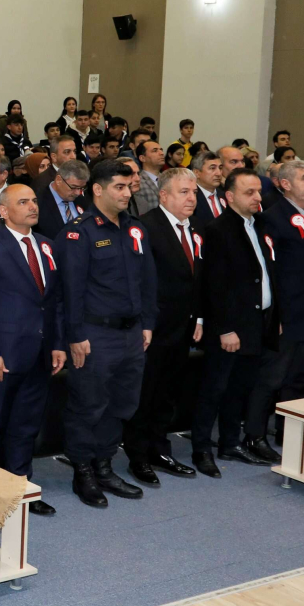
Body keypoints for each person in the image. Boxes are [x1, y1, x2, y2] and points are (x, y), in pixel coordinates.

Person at [57, 160, 155, 507]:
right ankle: (83, 471)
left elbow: (148, 280)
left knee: (121, 403)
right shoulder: (79, 232)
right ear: (97, 189)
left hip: (131, 334)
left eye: (129, 186)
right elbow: (69, 290)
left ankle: (104, 464)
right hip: (94, 334)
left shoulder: (135, 228)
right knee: (88, 404)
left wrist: (147, 323)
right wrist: (75, 335)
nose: (127, 193)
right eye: (119, 187)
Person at [0, 182, 65, 514]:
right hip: (3, 355)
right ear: (4, 211)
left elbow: (54, 302)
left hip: (40, 352)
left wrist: (57, 344)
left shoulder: (47, 245)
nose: (33, 206)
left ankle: (22, 492)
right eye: (23, 202)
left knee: (26, 426)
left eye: (34, 200)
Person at [190, 168, 280, 476]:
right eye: (249, 192)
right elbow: (214, 286)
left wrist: (274, 316)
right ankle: (201, 448)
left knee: (240, 388)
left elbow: (268, 273)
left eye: (258, 192)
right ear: (229, 197)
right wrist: (226, 328)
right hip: (230, 327)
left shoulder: (262, 224)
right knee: (213, 390)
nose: (257, 197)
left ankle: (229, 442)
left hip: (258, 321)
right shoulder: (218, 230)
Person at [123, 168, 203, 485]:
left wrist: (199, 316)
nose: (191, 198)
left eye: (194, 192)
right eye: (184, 192)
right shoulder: (145, 227)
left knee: (168, 394)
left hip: (184, 326)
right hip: (153, 328)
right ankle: (138, 456)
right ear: (164, 195)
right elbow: (139, 281)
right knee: (146, 393)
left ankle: (159, 449)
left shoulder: (196, 228)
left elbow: (199, 278)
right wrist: (145, 322)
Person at [250, 161, 304, 456]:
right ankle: (255, 436)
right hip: (285, 312)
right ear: (284, 184)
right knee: (272, 378)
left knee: (302, 376)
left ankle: (292, 434)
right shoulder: (272, 217)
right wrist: (276, 314)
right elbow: (269, 269)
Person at [35, 159, 87, 240]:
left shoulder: (83, 201)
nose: (77, 193)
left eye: (81, 188)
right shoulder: (37, 203)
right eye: (73, 187)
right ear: (59, 180)